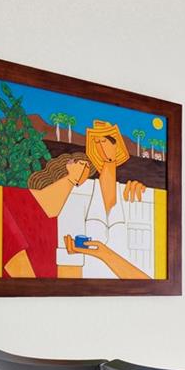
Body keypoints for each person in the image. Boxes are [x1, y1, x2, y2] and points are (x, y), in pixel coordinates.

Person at [57, 120, 151, 279]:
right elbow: (66, 256)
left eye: (105, 141)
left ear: (117, 146)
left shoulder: (129, 193)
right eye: (97, 142)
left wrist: (145, 191)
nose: (101, 146)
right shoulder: (80, 191)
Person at [0, 152, 93, 278]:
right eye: (81, 164)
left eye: (87, 167)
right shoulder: (15, 198)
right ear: (69, 165)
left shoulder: (68, 212)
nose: (84, 170)